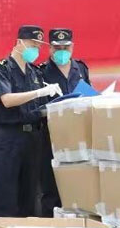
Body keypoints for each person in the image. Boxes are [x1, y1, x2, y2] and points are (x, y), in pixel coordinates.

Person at [0, 25, 62, 217]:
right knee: (6, 193)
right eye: (32, 44)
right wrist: (38, 92)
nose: (36, 50)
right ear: (19, 42)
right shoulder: (2, 68)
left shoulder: (34, 72)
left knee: (29, 194)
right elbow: (7, 100)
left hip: (33, 137)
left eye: (38, 46)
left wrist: (59, 105)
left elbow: (39, 108)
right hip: (10, 137)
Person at [36, 28, 91, 217]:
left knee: (77, 182)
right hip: (52, 135)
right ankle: (49, 224)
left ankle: (76, 223)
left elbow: (89, 96)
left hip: (78, 135)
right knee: (51, 185)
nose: (61, 51)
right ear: (50, 48)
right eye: (57, 48)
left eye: (65, 47)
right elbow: (37, 105)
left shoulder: (81, 69)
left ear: (72, 47)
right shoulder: (41, 72)